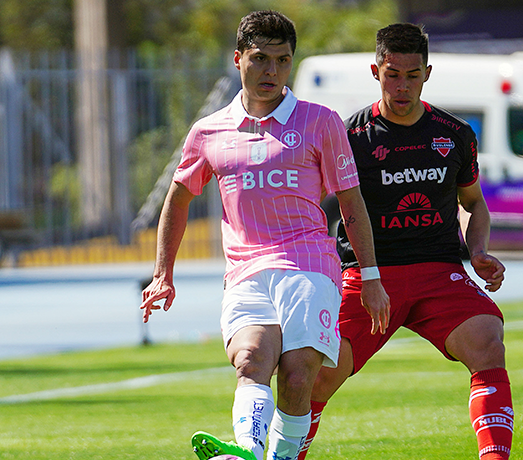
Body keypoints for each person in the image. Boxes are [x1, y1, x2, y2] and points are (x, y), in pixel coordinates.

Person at [139, 10, 389, 460]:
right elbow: (177, 198)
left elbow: (352, 204)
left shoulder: (320, 122)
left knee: (297, 377)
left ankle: (273, 456)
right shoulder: (209, 131)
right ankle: (247, 451)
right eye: (260, 59)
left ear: (291, 62)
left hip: (310, 266)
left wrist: (369, 276)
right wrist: (162, 273)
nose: (271, 71)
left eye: (282, 60)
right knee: (251, 361)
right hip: (246, 272)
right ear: (237, 59)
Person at [298, 23, 513, 460]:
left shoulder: (454, 134)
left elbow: (473, 203)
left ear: (427, 73)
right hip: (367, 275)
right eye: (392, 74)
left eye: (411, 75)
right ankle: (285, 454)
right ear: (375, 71)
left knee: (488, 341)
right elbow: (314, 206)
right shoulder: (349, 136)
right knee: (317, 375)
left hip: (439, 271)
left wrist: (477, 251)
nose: (402, 86)